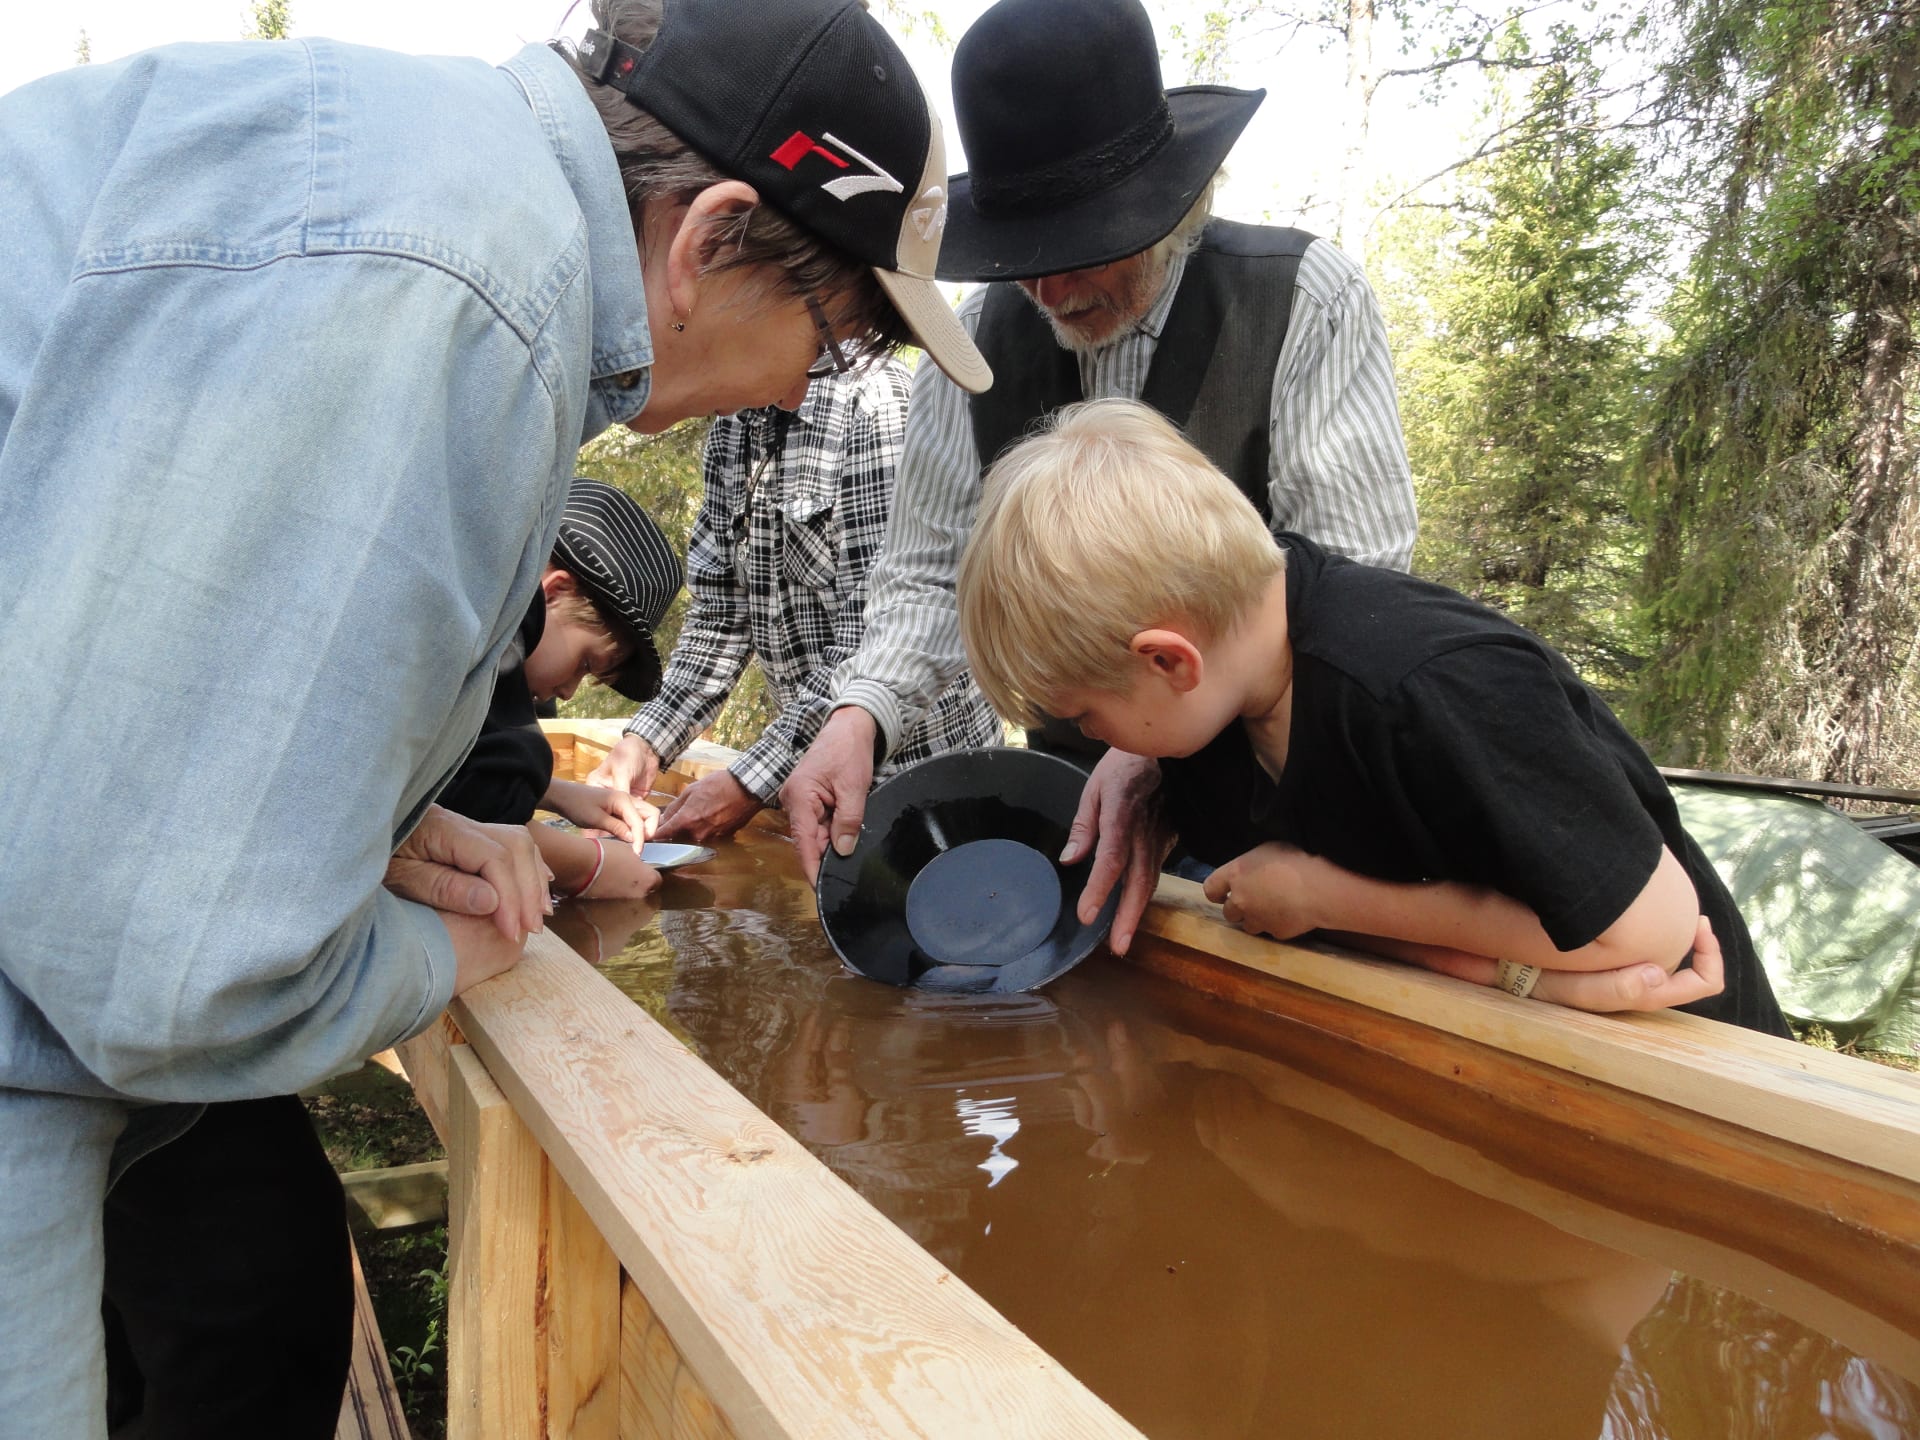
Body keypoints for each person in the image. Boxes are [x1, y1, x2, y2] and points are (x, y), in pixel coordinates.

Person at [0, 0, 987, 1430]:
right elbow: (176, 976)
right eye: (834, 333)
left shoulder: (419, 172)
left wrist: (398, 833)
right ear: (711, 240)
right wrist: (445, 949)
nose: (809, 382)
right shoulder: (467, 295)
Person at [781, 0, 1418, 950]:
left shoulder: (1302, 302)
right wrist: (859, 714)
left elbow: (1358, 584)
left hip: (1275, 833)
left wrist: (1158, 752)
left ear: (1170, 196)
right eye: (1024, 253)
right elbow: (926, 576)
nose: (1051, 290)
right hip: (1073, 823)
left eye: (1083, 243)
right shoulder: (978, 342)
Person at [955, 400, 1792, 1035]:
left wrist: (1326, 896)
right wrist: (1546, 984)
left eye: (1088, 718)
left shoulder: (1427, 686)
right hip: (1527, 1022)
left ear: (1170, 660)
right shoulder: (1217, 712)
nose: (1096, 745)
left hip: (1701, 1054)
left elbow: (1652, 932)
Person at [589, 360, 1002, 841]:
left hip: (927, 782)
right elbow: (720, 618)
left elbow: (875, 636)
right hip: (815, 785)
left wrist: (748, 782)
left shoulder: (875, 408)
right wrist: (646, 741)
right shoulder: (734, 427)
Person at [437, 477, 683, 900]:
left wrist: (561, 795)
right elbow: (479, 814)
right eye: (586, 663)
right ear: (554, 592)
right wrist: (591, 866)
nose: (568, 692)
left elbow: (447, 777)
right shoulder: (499, 642)